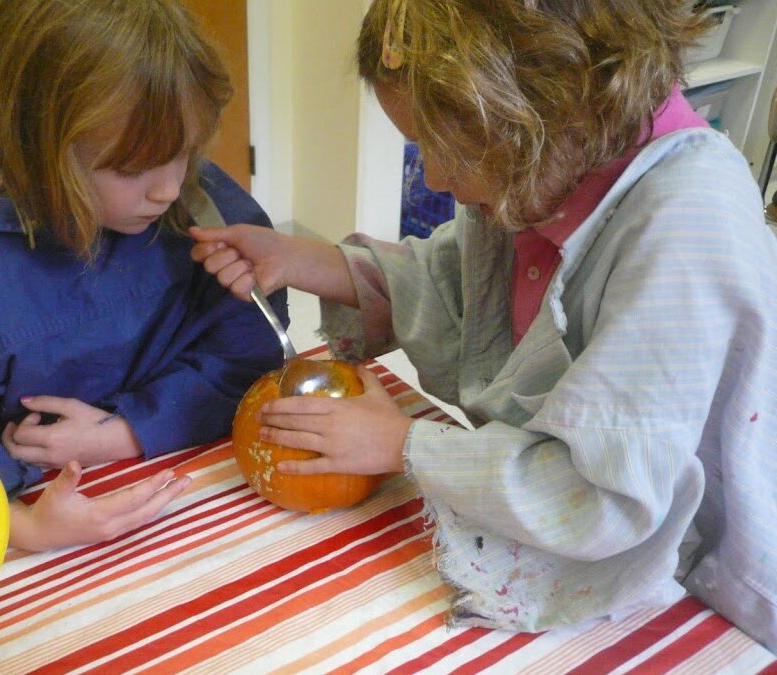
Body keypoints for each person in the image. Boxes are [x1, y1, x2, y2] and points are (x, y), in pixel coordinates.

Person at [191, 0, 777, 652]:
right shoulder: (543, 169)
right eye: (421, 148)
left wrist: (406, 445)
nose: (436, 178)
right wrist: (305, 260)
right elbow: (445, 285)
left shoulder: (687, 223)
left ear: (548, 110)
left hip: (700, 577)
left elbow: (606, 492)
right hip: (582, 534)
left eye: (450, 151)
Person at [0, 0, 287, 552]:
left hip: (178, 499)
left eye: (185, 153)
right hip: (26, 526)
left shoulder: (207, 214)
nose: (169, 189)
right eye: (131, 168)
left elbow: (247, 363)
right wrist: (26, 529)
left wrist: (125, 433)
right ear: (38, 154)